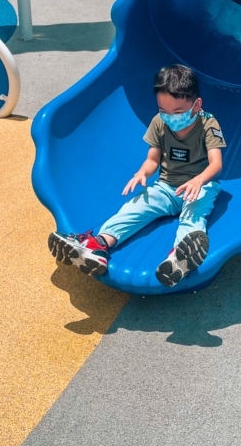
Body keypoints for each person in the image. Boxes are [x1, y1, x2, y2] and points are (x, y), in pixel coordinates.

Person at [48, 64, 226, 287]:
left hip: (200, 186)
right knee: (135, 207)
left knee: (194, 215)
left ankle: (180, 257)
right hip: (167, 187)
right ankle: (99, 245)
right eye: (164, 111)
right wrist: (142, 173)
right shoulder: (159, 123)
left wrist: (199, 180)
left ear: (196, 105)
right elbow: (152, 160)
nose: (171, 117)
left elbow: (216, 164)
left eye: (178, 112)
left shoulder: (208, 122)